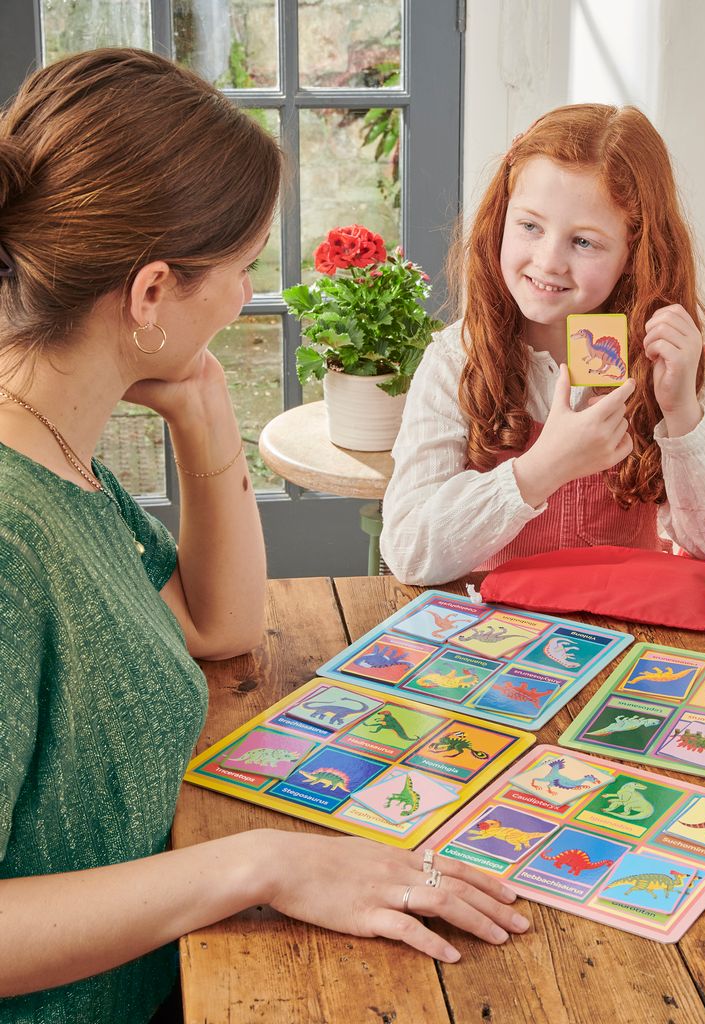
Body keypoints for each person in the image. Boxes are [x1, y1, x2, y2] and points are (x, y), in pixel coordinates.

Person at [0, 49, 527, 1024]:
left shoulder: (54, 451)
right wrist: (261, 866)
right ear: (151, 294)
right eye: (242, 269)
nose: (247, 296)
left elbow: (220, 624)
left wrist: (205, 408)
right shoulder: (7, 529)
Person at [380, 103, 705, 585]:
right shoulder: (456, 361)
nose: (549, 262)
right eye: (530, 226)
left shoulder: (667, 363)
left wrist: (682, 411)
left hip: (622, 618)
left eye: (584, 242)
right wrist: (544, 467)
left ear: (635, 252)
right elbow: (408, 550)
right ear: (501, 219)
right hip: (495, 623)